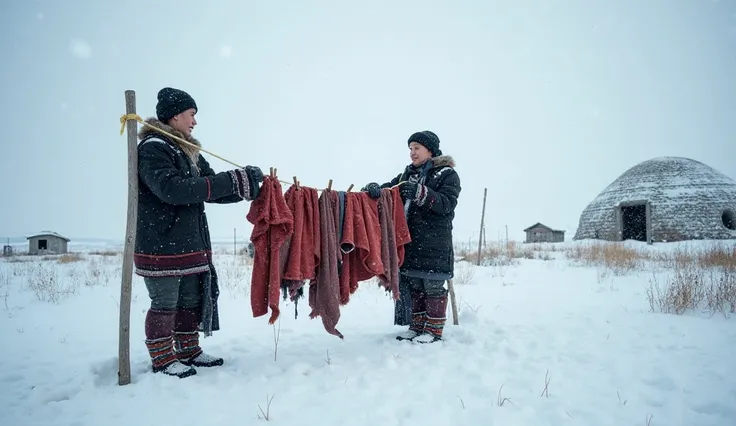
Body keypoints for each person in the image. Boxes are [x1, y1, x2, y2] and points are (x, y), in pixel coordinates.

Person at [134, 87, 264, 378]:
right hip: (162, 243)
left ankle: (189, 350)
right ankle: (163, 359)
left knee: (191, 299)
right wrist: (232, 180)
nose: (194, 122)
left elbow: (210, 186)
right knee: (165, 302)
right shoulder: (153, 148)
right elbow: (172, 190)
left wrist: (248, 186)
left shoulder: (186, 149)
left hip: (189, 242)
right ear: (175, 115)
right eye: (192, 115)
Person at [362, 130, 461, 343]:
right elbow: (387, 190)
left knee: (433, 285)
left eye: (416, 148)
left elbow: (447, 203)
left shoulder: (446, 174)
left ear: (430, 150)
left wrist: (420, 193)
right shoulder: (406, 176)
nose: (412, 153)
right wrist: (372, 190)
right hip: (412, 242)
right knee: (415, 284)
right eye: (410, 148)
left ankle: (433, 331)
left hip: (435, 242)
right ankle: (416, 327)